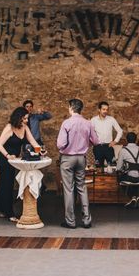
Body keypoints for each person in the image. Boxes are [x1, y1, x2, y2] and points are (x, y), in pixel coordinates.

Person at [57, 98, 100, 229]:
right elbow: (96, 141)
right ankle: (87, 220)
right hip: (82, 158)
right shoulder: (88, 123)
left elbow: (60, 144)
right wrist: (87, 144)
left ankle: (70, 221)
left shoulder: (66, 123)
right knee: (82, 187)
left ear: (71, 108)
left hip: (68, 158)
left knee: (68, 189)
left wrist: (63, 150)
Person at [0, 107, 40, 222]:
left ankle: (0, 209)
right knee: (7, 184)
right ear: (18, 117)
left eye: (27, 118)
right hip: (5, 157)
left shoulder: (25, 127)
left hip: (15, 159)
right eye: (24, 118)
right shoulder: (9, 128)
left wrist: (40, 150)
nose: (26, 120)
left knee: (9, 184)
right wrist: (7, 155)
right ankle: (9, 213)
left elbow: (33, 141)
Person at [117, 132, 139, 208]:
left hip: (130, 178)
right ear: (135, 140)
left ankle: (133, 197)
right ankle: (136, 197)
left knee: (120, 177)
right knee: (134, 177)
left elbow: (118, 167)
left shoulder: (123, 150)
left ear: (126, 140)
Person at [90, 101, 123, 167]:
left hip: (109, 147)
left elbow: (120, 131)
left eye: (107, 109)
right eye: (103, 109)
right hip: (98, 147)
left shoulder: (111, 119)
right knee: (98, 168)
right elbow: (90, 132)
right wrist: (93, 141)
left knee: (113, 167)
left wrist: (115, 141)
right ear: (99, 110)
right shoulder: (93, 120)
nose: (105, 111)